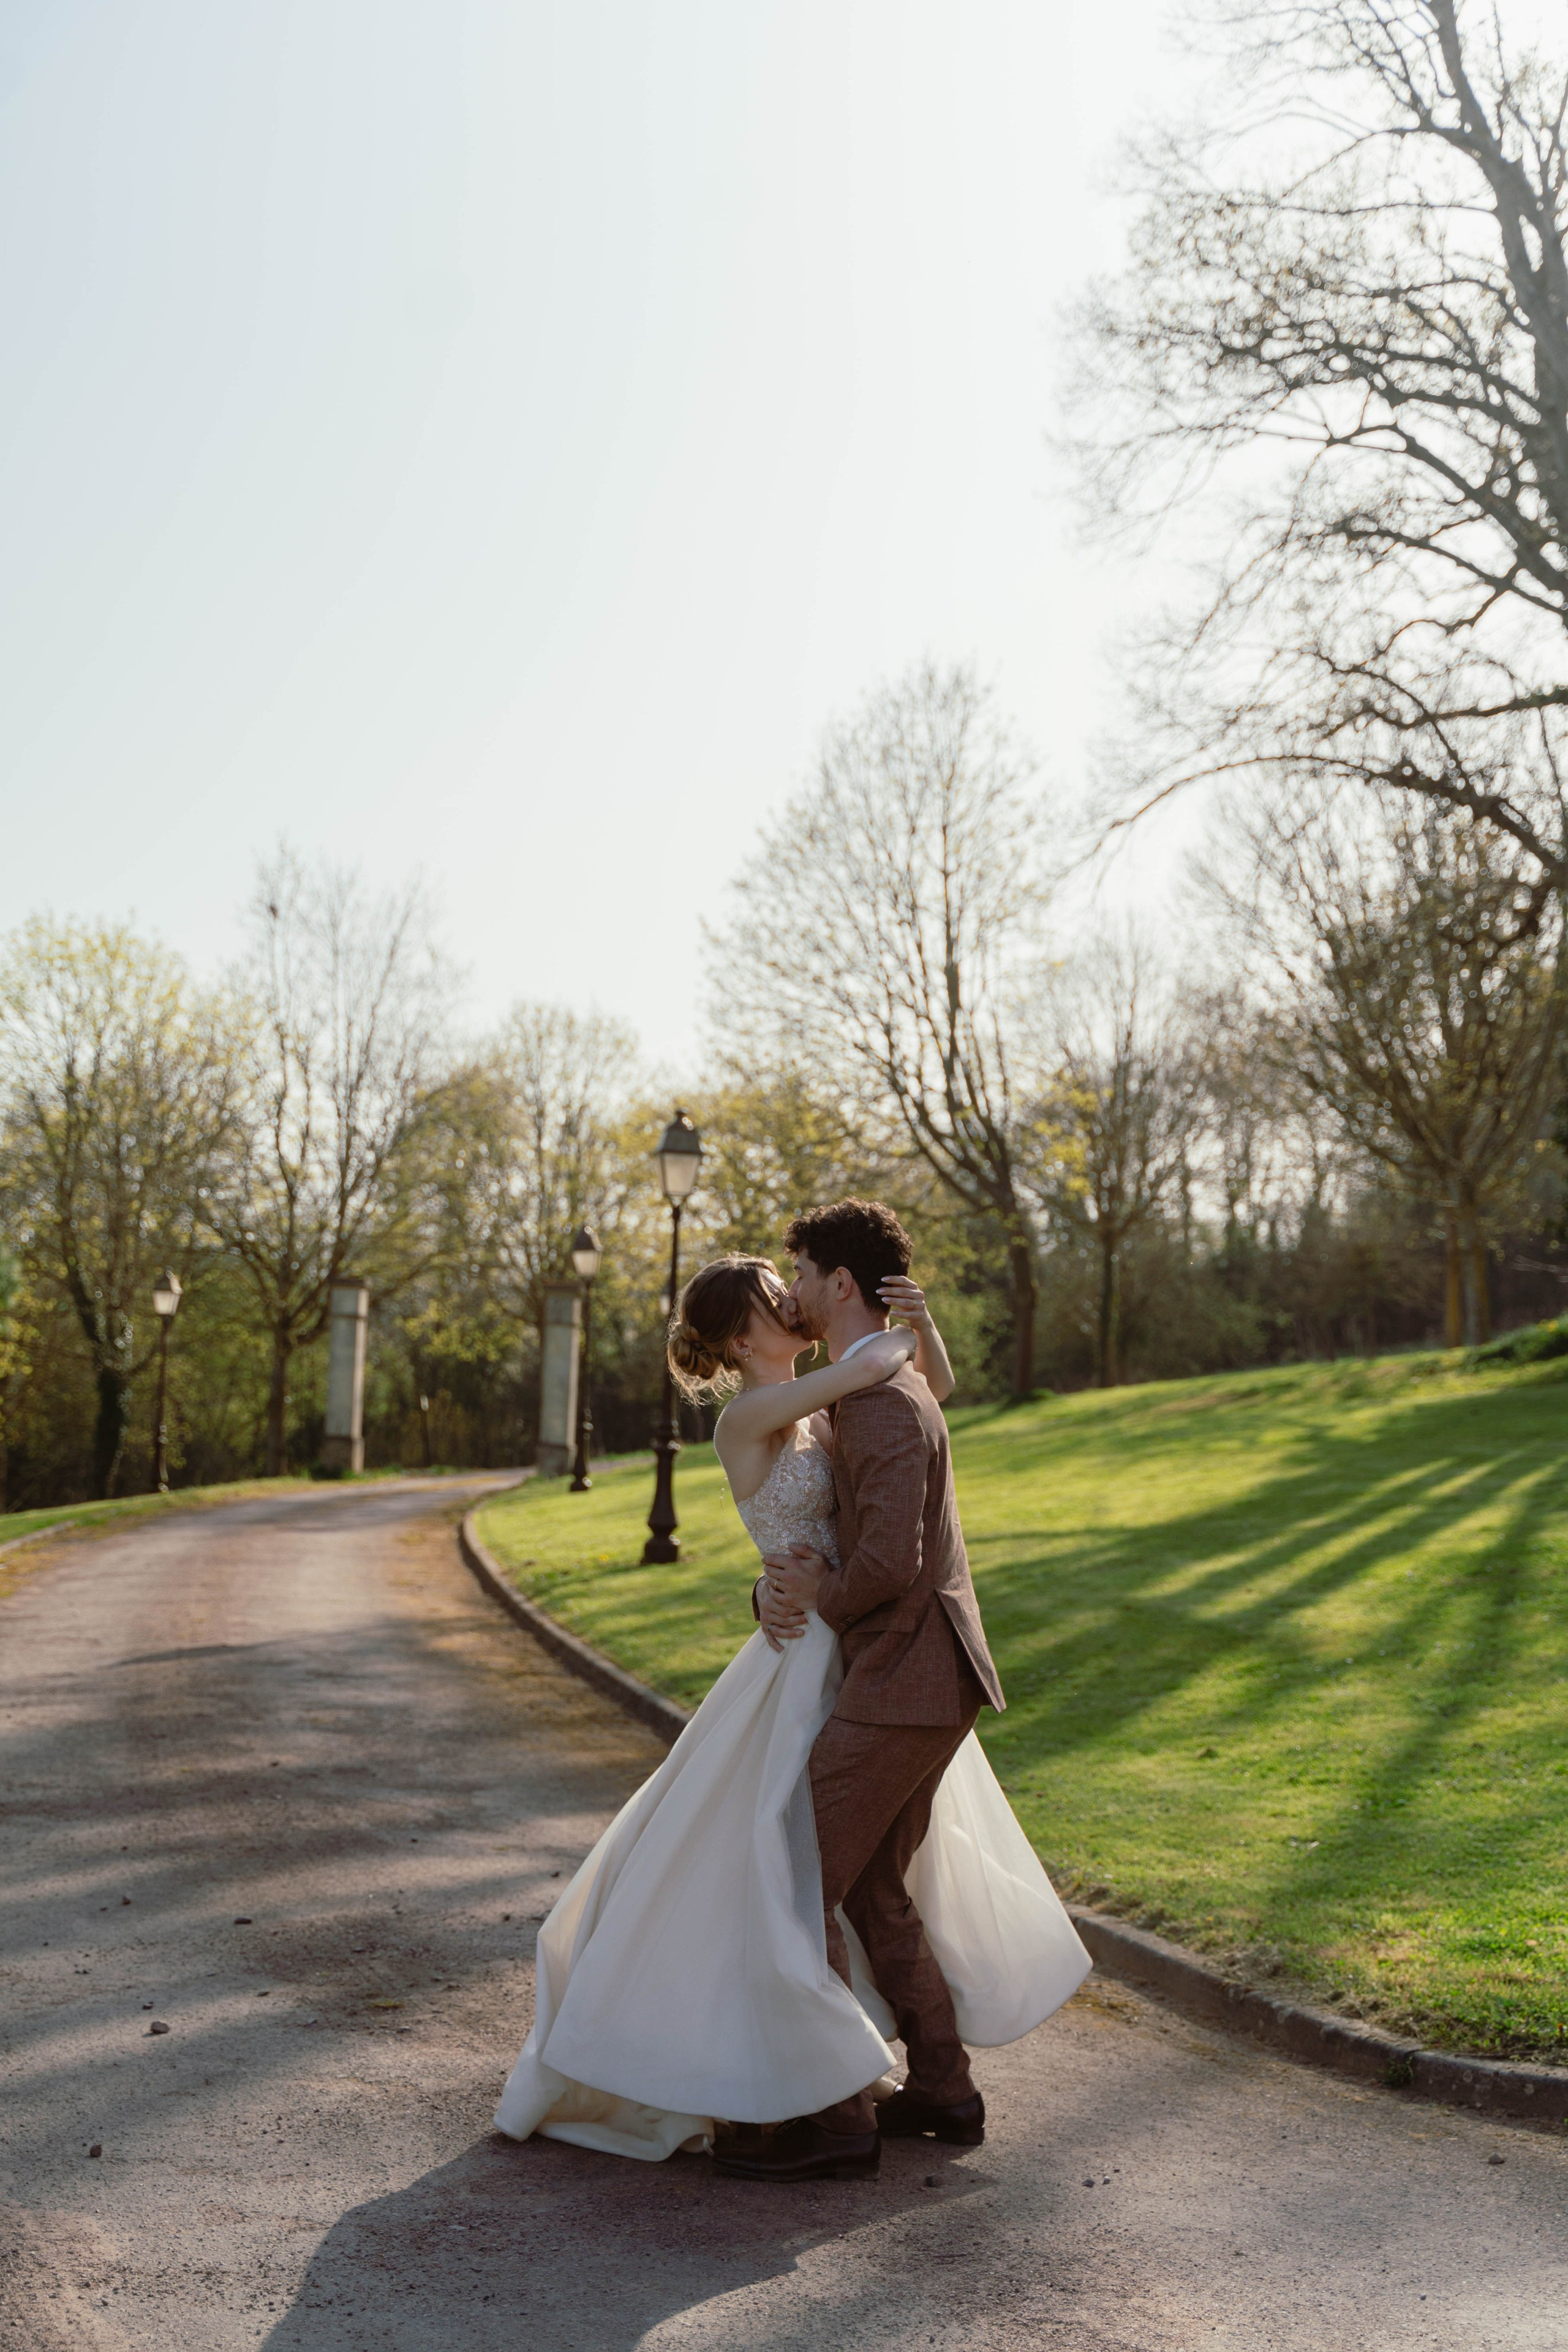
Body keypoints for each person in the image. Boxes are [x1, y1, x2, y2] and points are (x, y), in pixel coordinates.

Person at [492, 1225, 1089, 2174]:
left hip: (857, 1657)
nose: (790, 1300)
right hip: (816, 1657)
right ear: (740, 1342)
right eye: (775, 1294)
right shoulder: (755, 1416)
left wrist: (913, 1333)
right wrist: (887, 1343)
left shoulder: (831, 1406)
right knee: (795, 1874)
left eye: (795, 1281)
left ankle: (860, 2098)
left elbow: (909, 1404)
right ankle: (852, 2094)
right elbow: (874, 1383)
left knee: (814, 1876)